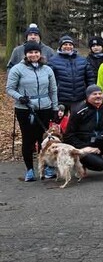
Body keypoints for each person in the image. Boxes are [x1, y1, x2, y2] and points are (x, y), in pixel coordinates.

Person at [6, 41, 58, 181]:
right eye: (30, 52)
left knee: (44, 139)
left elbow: (53, 90)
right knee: (28, 139)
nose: (33, 55)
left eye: (36, 52)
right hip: (25, 108)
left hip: (45, 107)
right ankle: (29, 169)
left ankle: (47, 166)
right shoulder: (17, 69)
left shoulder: (47, 69)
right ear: (26, 54)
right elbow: (10, 88)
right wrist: (20, 97)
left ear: (40, 53)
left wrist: (55, 107)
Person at [64, 85, 103, 175]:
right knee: (100, 165)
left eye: (100, 93)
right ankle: (81, 164)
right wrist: (86, 148)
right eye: (94, 94)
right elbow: (68, 136)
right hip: (84, 144)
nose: (98, 96)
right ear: (87, 96)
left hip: (101, 140)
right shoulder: (78, 111)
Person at [49, 35, 94, 114]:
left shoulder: (82, 60)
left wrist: (90, 93)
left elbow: (90, 78)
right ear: (60, 46)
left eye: (70, 45)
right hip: (61, 99)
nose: (68, 47)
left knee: (78, 122)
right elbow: (49, 80)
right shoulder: (52, 61)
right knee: (61, 123)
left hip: (79, 98)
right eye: (65, 44)